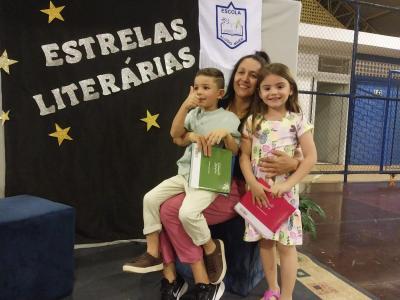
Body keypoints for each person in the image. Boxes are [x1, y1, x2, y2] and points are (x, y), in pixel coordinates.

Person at [154, 52, 301, 300]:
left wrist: (294, 162)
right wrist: (190, 136)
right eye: (241, 72)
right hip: (202, 178)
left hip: (234, 186)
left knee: (170, 211)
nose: (244, 78)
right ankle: (173, 278)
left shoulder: (263, 116)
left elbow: (299, 152)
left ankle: (206, 279)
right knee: (158, 203)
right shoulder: (215, 105)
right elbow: (179, 134)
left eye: (253, 75)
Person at [123, 68, 241, 285]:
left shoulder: (228, 118)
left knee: (188, 213)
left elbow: (235, 150)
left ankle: (210, 247)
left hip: (208, 178)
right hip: (185, 173)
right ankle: (152, 253)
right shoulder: (193, 114)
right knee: (149, 198)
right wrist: (186, 110)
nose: (200, 92)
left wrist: (225, 135)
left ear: (220, 93)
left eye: (206, 88)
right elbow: (174, 134)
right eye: (196, 88)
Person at [239, 63, 317, 300]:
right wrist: (252, 183)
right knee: (265, 242)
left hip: (285, 196)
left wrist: (286, 184)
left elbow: (311, 157)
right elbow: (244, 156)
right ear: (260, 92)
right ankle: (272, 289)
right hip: (259, 194)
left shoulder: (298, 121)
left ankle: (287, 296)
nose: (273, 92)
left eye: (279, 86)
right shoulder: (253, 121)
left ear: (291, 89)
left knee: (285, 246)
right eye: (267, 88)